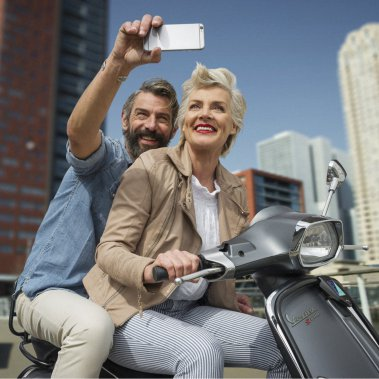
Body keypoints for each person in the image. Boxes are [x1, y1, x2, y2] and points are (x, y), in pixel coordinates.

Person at [84, 63, 290, 378]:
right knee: (201, 351)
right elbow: (109, 250)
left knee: (285, 346)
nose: (205, 114)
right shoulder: (151, 165)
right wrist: (153, 267)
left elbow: (227, 259)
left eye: (218, 108)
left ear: (232, 125)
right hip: (131, 308)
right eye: (196, 106)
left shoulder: (234, 189)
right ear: (185, 122)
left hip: (191, 311)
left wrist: (231, 300)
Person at [14, 15, 179, 378]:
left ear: (173, 130)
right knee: (92, 328)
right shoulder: (105, 158)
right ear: (124, 120)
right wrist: (119, 63)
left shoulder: (167, 187)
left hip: (110, 305)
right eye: (142, 115)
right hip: (48, 292)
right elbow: (79, 130)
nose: (151, 125)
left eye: (162, 118)